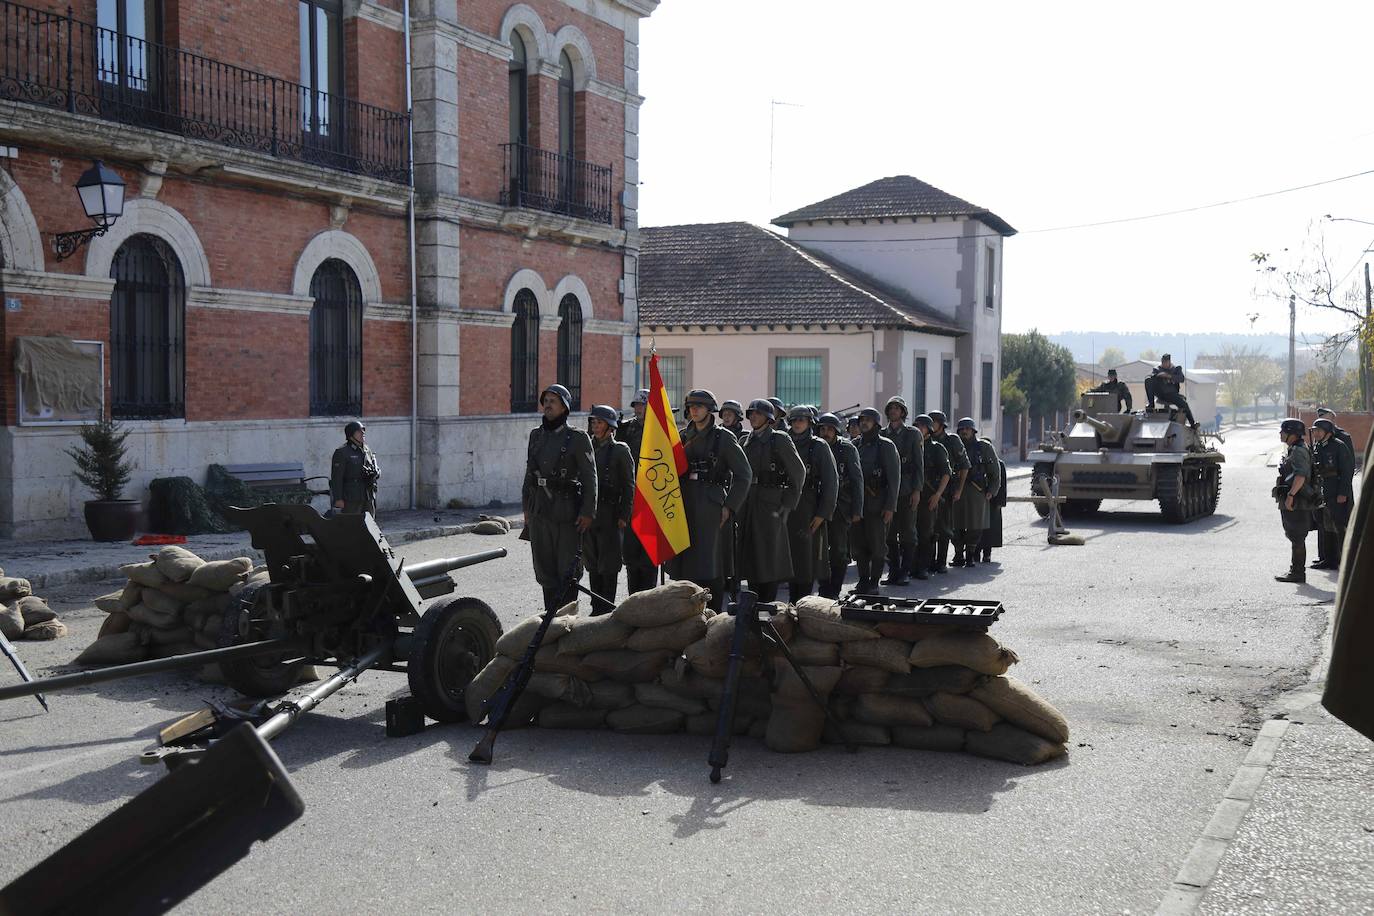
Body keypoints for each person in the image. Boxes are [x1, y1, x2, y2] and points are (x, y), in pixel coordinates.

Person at [664, 389, 751, 611]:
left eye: (699, 406)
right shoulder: (682, 437)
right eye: (691, 406)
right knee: (684, 563)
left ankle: (713, 616)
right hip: (684, 502)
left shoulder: (723, 437)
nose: (694, 410)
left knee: (709, 564)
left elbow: (744, 474)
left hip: (711, 505)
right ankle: (686, 616)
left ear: (709, 409)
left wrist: (730, 506)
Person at [523, 384, 597, 610]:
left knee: (567, 571)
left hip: (566, 514)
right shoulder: (536, 436)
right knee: (544, 570)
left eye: (553, 401)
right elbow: (529, 474)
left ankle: (568, 624)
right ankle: (550, 620)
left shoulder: (577, 438)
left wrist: (587, 512)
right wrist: (526, 508)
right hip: (540, 512)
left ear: (564, 408)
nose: (547, 404)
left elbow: (590, 477)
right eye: (545, 400)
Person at [737, 398, 805, 602]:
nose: (753, 417)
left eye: (758, 413)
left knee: (769, 554)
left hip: (771, 504)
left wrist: (788, 504)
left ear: (768, 419)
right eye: (751, 413)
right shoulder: (744, 441)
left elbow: (799, 473)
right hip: (748, 502)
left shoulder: (779, 439)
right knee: (750, 553)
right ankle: (752, 601)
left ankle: (767, 603)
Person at [582, 405, 635, 614]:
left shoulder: (620, 450)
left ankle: (606, 607)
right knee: (592, 563)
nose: (595, 427)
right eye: (593, 422)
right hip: (589, 514)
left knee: (609, 565)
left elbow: (629, 485)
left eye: (600, 423)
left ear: (610, 427)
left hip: (610, 514)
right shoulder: (585, 447)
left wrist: (624, 515)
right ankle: (596, 606)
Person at [784, 405, 839, 601]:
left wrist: (822, 514)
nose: (798, 423)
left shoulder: (819, 446)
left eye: (802, 420)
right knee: (789, 559)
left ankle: (804, 603)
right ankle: (792, 602)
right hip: (786, 506)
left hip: (809, 507)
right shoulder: (783, 441)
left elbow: (831, 482)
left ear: (809, 423)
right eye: (795, 420)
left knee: (806, 561)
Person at [851, 407, 899, 593]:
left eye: (868, 420)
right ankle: (863, 581)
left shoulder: (886, 446)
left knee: (878, 546)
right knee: (858, 546)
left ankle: (873, 583)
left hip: (878, 504)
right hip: (858, 505)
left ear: (876, 423)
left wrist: (890, 507)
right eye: (862, 420)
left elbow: (894, 479)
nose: (864, 423)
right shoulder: (854, 445)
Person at [816, 412, 864, 598]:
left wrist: (857, 509)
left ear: (836, 431)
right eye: (822, 429)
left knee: (839, 550)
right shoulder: (816, 447)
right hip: (818, 504)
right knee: (819, 551)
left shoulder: (847, 449)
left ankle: (834, 589)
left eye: (829, 429)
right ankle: (823, 588)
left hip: (841, 506)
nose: (825, 432)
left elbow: (857, 479)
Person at [617, 388, 658, 594]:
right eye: (637, 405)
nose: (639, 409)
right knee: (631, 552)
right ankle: (634, 597)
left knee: (650, 552)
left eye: (643, 405)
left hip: (652, 497)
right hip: (631, 494)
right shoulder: (625, 429)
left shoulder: (660, 431)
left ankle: (649, 597)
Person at [880, 396, 924, 586]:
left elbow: (919, 465)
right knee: (889, 534)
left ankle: (905, 570)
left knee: (908, 533)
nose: (893, 411)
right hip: (888, 491)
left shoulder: (912, 434)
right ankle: (894, 570)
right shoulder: (881, 434)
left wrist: (917, 490)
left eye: (897, 408)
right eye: (891, 408)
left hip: (906, 489)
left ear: (903, 412)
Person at [1273, 417, 1319, 584]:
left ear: (1291, 434)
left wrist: (1291, 496)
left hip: (1299, 501)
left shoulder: (1299, 451)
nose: (1280, 433)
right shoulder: (1295, 448)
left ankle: (1298, 572)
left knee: (1297, 536)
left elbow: (1300, 476)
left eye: (1283, 431)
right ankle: (1296, 570)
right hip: (1297, 499)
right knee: (1295, 536)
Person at [950, 418, 1001, 567]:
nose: (964, 431)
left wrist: (992, 490)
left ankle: (971, 554)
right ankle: (958, 553)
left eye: (967, 429)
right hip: (957, 490)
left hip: (977, 491)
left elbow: (995, 471)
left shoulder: (983, 447)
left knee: (975, 525)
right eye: (962, 429)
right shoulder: (953, 446)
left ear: (973, 431)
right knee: (955, 524)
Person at [1310, 417, 1355, 571]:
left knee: (1339, 526)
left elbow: (1347, 472)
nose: (1315, 433)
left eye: (1318, 430)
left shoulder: (1339, 446)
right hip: (1323, 492)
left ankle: (1345, 561)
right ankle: (1329, 559)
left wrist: (1343, 493)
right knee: (1326, 526)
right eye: (1314, 430)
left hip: (1337, 492)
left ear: (1328, 432)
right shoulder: (1318, 447)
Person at [927, 410, 969, 573]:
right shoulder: (926, 440)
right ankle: (929, 560)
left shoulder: (952, 440)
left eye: (934, 421)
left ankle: (941, 561)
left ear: (941, 424)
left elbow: (965, 465)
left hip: (947, 489)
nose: (931, 424)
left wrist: (959, 489)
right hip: (929, 488)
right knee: (929, 527)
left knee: (943, 527)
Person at [913, 414, 951, 578]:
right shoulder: (911, 447)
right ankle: (911, 566)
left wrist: (937, 495)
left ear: (929, 430)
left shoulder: (936, 448)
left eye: (922, 426)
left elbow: (946, 474)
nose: (919, 429)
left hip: (929, 496)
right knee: (910, 533)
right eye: (917, 426)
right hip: (911, 495)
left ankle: (924, 566)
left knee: (926, 533)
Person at [330, 419, 379, 518]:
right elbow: (337, 478)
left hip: (368, 494)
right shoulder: (342, 452)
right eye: (359, 431)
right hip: (351, 497)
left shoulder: (367, 450)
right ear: (350, 435)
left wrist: (376, 473)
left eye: (363, 430)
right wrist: (338, 499)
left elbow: (373, 468)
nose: (363, 433)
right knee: (352, 526)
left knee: (370, 525)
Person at [1144, 354, 1196, 426]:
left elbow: (1181, 378)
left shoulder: (1176, 369)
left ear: (1169, 362)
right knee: (1148, 380)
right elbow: (1153, 376)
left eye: (1166, 362)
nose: (1164, 364)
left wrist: (1169, 376)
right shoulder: (1157, 369)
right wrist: (1160, 376)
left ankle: (1192, 423)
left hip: (1171, 393)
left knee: (1184, 404)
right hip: (1160, 392)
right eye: (1163, 362)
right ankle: (1151, 405)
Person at [977, 444, 1008, 564]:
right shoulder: (977, 461)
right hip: (979, 500)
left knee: (989, 530)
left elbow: (1002, 485)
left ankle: (987, 554)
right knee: (977, 528)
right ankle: (975, 553)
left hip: (993, 502)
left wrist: (1000, 502)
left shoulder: (999, 464)